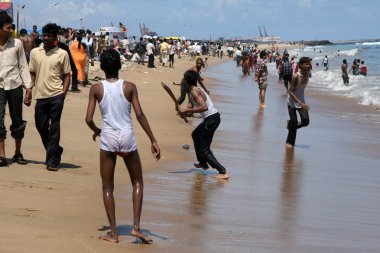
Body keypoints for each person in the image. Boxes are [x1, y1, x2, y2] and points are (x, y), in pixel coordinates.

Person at [85, 49, 160, 243]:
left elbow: (88, 119)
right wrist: (152, 139)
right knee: (137, 182)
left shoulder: (96, 88)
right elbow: (140, 114)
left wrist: (97, 130)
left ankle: (114, 233)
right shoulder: (130, 87)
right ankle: (135, 227)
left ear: (101, 67)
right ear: (119, 65)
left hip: (108, 137)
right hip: (127, 136)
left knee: (107, 187)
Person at [27, 23, 71, 171]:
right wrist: (29, 90)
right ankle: (56, 150)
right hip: (40, 95)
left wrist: (63, 94)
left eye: (49, 36)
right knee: (41, 126)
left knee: (55, 126)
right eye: (44, 35)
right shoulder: (35, 52)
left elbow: (67, 75)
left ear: (55, 38)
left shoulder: (62, 54)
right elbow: (32, 72)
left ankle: (52, 160)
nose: (45, 38)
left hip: (56, 95)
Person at [179, 70, 229, 180]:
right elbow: (191, 107)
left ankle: (222, 171)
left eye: (183, 79)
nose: (182, 81)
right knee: (195, 134)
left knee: (204, 150)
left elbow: (204, 107)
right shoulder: (191, 91)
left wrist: (187, 110)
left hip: (211, 119)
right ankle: (203, 163)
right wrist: (185, 112)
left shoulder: (194, 92)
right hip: (210, 118)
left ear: (186, 81)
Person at [0, 11, 32, 166]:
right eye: (8, 27)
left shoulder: (17, 43)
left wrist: (29, 88)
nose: (11, 30)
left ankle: (18, 153)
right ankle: (2, 155)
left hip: (15, 86)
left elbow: (23, 66)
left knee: (17, 120)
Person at [285, 57, 311, 148]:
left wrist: (301, 102)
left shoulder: (308, 73)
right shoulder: (296, 77)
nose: (308, 66)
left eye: (309, 64)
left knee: (306, 121)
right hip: (292, 102)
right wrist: (300, 103)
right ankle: (289, 142)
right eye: (306, 64)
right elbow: (290, 91)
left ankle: (290, 126)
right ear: (301, 65)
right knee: (295, 122)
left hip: (301, 101)